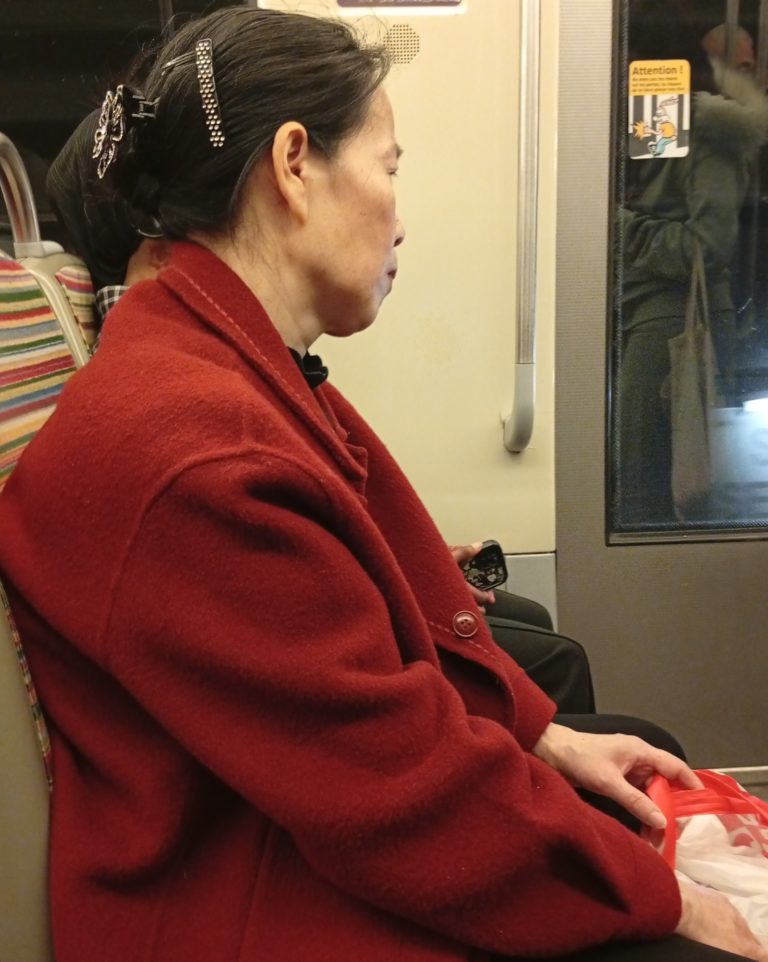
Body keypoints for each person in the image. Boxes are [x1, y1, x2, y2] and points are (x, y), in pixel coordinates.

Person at [0, 7, 763, 962]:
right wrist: (671, 901)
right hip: (228, 892)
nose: (401, 219)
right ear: (294, 165)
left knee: (630, 768)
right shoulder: (192, 450)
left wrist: (547, 738)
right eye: (390, 168)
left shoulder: (221, 356)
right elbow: (404, 798)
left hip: (273, 817)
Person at [616, 0, 768, 526]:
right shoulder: (653, 130)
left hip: (675, 319)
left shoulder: (708, 134)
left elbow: (708, 247)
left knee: (647, 484)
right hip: (648, 310)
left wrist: (621, 230)